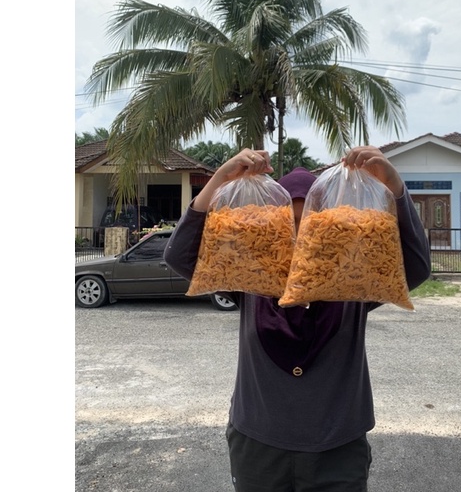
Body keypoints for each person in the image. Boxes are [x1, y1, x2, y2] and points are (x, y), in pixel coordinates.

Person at [164, 146, 431, 492]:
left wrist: (395, 187)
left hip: (338, 447)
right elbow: (180, 257)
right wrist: (219, 180)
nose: (300, 237)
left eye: (310, 224)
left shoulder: (351, 284)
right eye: (289, 223)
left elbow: (416, 268)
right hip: (258, 444)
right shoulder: (254, 282)